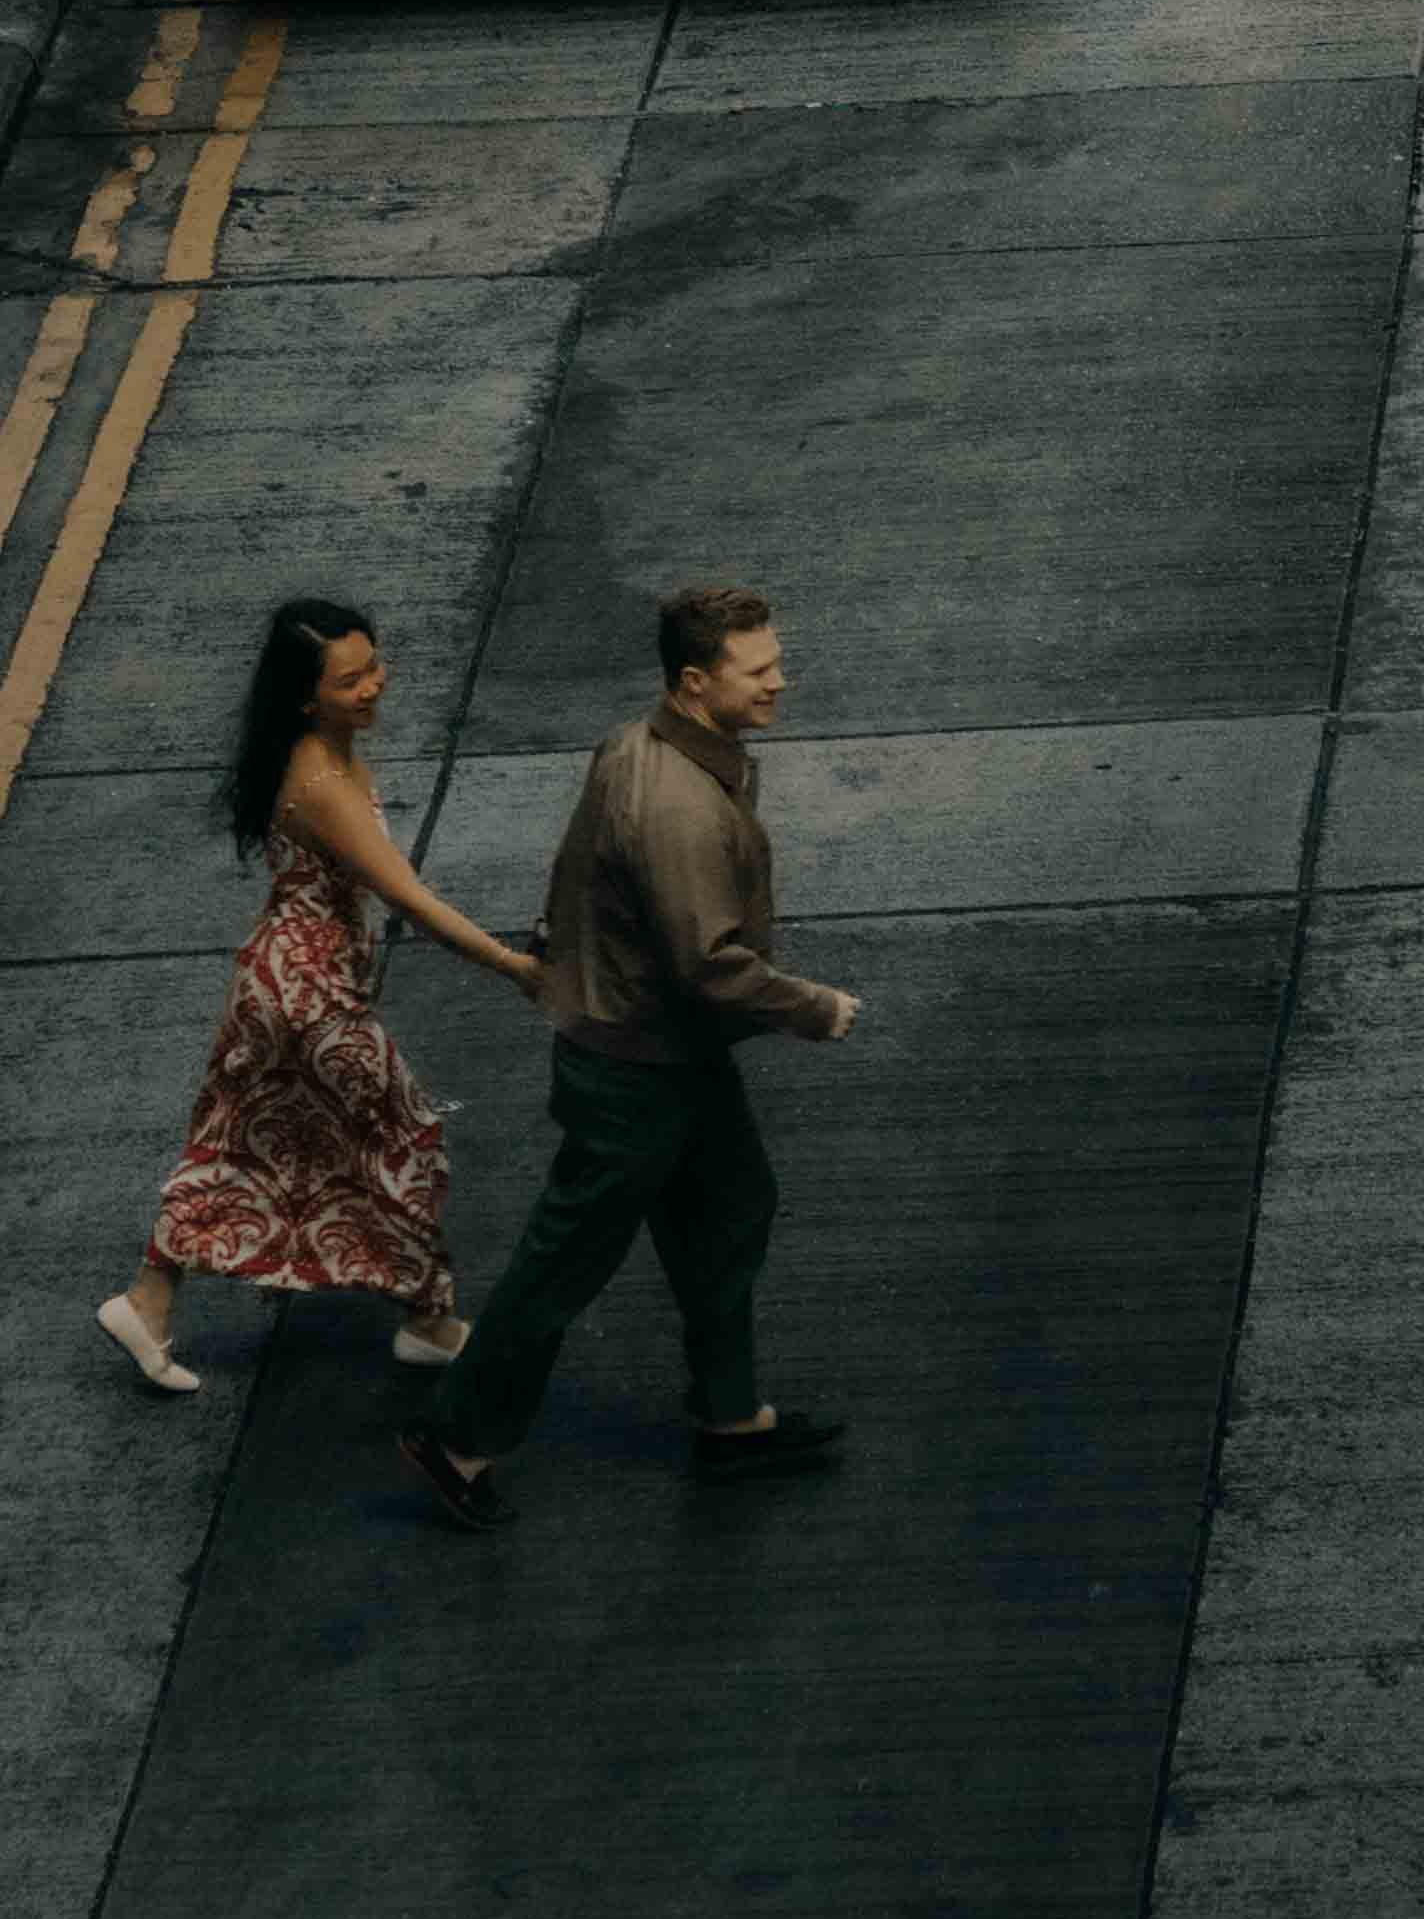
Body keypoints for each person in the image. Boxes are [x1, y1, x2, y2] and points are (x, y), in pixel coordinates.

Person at [400, 581, 860, 1531]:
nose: (781, 680)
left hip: (656, 1049)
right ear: (696, 682)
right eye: (759, 669)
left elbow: (573, 877)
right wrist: (812, 1007)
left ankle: (730, 1419)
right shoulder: (679, 807)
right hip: (636, 1069)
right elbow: (708, 963)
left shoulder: (640, 744)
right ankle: (454, 1441)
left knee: (731, 1207)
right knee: (564, 1261)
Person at [97, 595, 541, 1396]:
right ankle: (429, 1318)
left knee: (244, 1143)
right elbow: (407, 898)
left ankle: (148, 1301)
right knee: (402, 1138)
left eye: (374, 666)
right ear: (308, 696)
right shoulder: (320, 781)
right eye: (351, 679)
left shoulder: (319, 748)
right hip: (310, 998)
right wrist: (510, 964)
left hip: (279, 981)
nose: (374, 686)